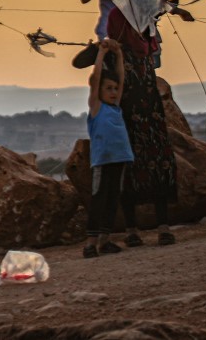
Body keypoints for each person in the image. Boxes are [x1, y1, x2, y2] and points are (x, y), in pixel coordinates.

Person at [108, 2, 179, 245]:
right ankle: (132, 230)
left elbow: (158, 15)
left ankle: (163, 226)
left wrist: (175, 9)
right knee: (129, 165)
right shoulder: (115, 42)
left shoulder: (146, 36)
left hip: (150, 109)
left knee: (159, 162)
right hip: (127, 111)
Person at [84, 38, 134, 258]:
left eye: (115, 89)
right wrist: (102, 53)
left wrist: (120, 55)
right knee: (99, 199)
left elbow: (121, 79)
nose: (114, 92)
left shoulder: (116, 108)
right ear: (99, 91)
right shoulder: (97, 107)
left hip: (120, 158)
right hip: (102, 160)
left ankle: (105, 240)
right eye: (109, 89)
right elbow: (96, 78)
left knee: (113, 199)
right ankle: (90, 243)